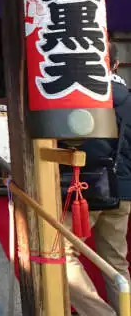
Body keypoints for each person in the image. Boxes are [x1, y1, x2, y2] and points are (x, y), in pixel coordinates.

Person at [65, 42, 131, 316]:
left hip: (86, 188)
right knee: (116, 262)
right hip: (123, 191)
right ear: (116, 65)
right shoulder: (128, 98)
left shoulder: (79, 97)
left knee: (61, 255)